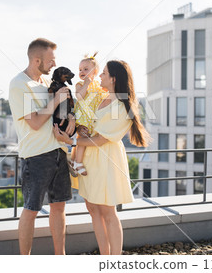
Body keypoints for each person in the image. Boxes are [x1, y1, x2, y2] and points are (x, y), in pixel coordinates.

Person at [53, 60, 150, 255]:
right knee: (92, 208)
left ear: (113, 78)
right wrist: (79, 127)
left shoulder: (123, 106)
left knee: (107, 211)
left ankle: (114, 260)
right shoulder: (101, 97)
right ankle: (104, 256)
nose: (99, 76)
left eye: (104, 73)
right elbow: (89, 123)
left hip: (105, 160)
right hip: (88, 157)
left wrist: (71, 142)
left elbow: (101, 139)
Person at [9, 38, 76, 255]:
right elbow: (36, 122)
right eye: (50, 60)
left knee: (59, 207)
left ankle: (60, 257)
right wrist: (56, 101)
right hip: (36, 156)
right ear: (37, 60)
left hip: (58, 151)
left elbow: (58, 115)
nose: (54, 65)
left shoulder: (47, 83)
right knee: (31, 210)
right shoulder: (20, 84)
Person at [71, 52, 108, 176]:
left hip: (93, 119)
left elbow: (104, 97)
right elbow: (79, 97)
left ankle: (74, 160)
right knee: (82, 138)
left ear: (95, 71)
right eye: (80, 69)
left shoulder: (98, 85)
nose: (82, 71)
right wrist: (86, 84)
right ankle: (78, 162)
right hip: (83, 118)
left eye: (86, 69)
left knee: (86, 139)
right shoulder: (80, 84)